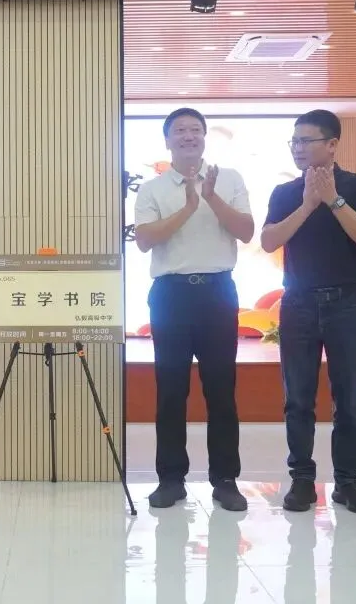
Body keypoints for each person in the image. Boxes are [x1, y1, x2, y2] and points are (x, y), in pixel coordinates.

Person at [134, 108, 254, 512]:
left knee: (221, 390)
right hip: (171, 295)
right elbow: (144, 240)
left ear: (204, 137)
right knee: (171, 390)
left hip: (217, 293)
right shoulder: (152, 188)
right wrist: (187, 208)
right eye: (180, 131)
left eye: (195, 130)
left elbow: (246, 232)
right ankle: (171, 479)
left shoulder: (229, 179)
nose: (189, 136)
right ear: (167, 140)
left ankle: (226, 480)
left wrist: (211, 197)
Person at [261, 109, 356, 514]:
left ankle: (348, 482)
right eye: (293, 141)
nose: (297, 148)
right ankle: (302, 480)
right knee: (298, 398)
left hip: (346, 302)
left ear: (331, 145)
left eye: (305, 140)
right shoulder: (285, 192)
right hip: (298, 303)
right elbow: (269, 241)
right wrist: (308, 204)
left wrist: (333, 200)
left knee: (350, 399)